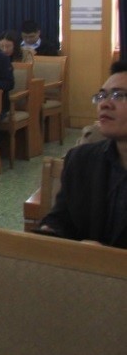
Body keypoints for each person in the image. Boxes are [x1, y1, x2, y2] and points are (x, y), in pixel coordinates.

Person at [38, 62, 127, 247]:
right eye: (101, 96)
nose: (104, 104)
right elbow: (62, 219)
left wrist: (106, 257)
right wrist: (50, 231)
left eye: (118, 96)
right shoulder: (81, 159)